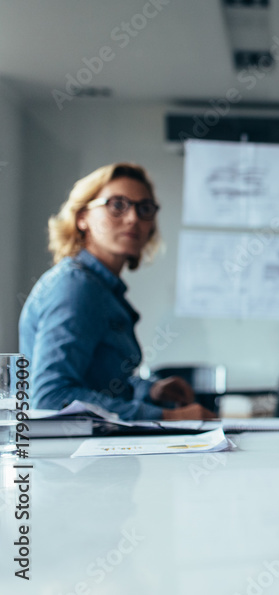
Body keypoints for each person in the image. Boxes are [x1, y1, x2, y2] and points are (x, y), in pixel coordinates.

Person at [20, 163, 216, 420]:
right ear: (82, 217)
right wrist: (167, 417)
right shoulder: (76, 286)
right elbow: (52, 398)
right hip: (72, 456)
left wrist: (151, 391)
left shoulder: (102, 288)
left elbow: (98, 385)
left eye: (144, 208)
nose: (133, 218)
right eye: (117, 205)